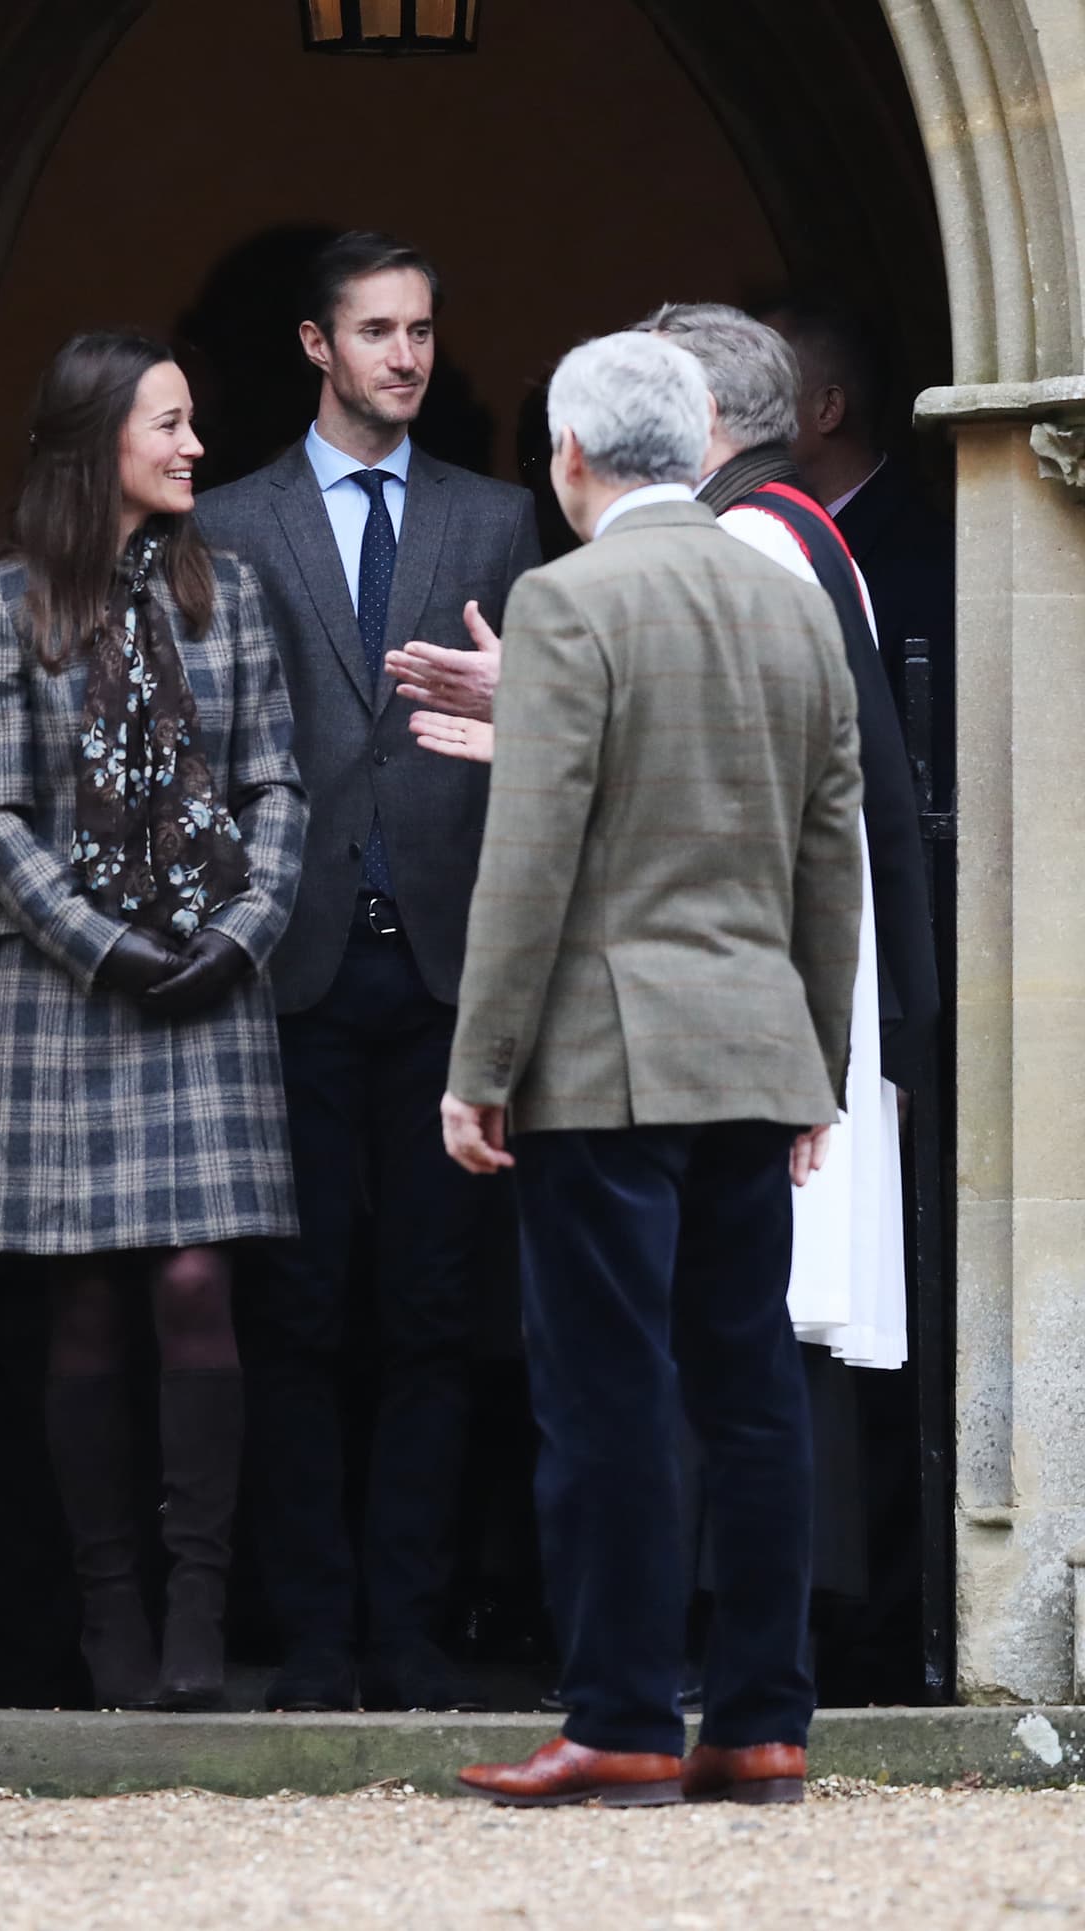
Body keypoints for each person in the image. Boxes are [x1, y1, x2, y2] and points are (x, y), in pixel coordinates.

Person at [442, 329, 863, 1807]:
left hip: (603, 1060)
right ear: (695, 445)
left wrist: (479, 1063)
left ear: (569, 455)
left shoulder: (568, 599)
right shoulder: (790, 599)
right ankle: (760, 1721)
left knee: (607, 1391)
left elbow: (532, 852)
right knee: (750, 1391)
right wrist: (818, 1066)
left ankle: (621, 1715)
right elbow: (830, 851)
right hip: (755, 1046)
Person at [196, 231, 540, 1714]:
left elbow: (542, 735)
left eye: (421, 329)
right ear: (315, 346)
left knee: (435, 1311)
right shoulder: (230, 519)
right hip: (294, 969)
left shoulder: (498, 517)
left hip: (451, 973)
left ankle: (407, 1630)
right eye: (377, 330)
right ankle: (314, 1634)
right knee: (295, 1308)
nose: (406, 353)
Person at [0, 331, 307, 1713]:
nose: (194, 446)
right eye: (169, 422)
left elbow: (276, 785)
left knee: (196, 1282)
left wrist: (240, 932)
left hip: (211, 976)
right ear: (97, 437)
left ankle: (197, 1609)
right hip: (66, 988)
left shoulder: (234, 593)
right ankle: (111, 1613)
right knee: (87, 1297)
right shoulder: (1, 602)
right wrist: (103, 944)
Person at [764, 295, 956, 802]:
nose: (744, 411)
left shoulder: (923, 559)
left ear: (827, 410)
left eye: (765, 390)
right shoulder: (764, 532)